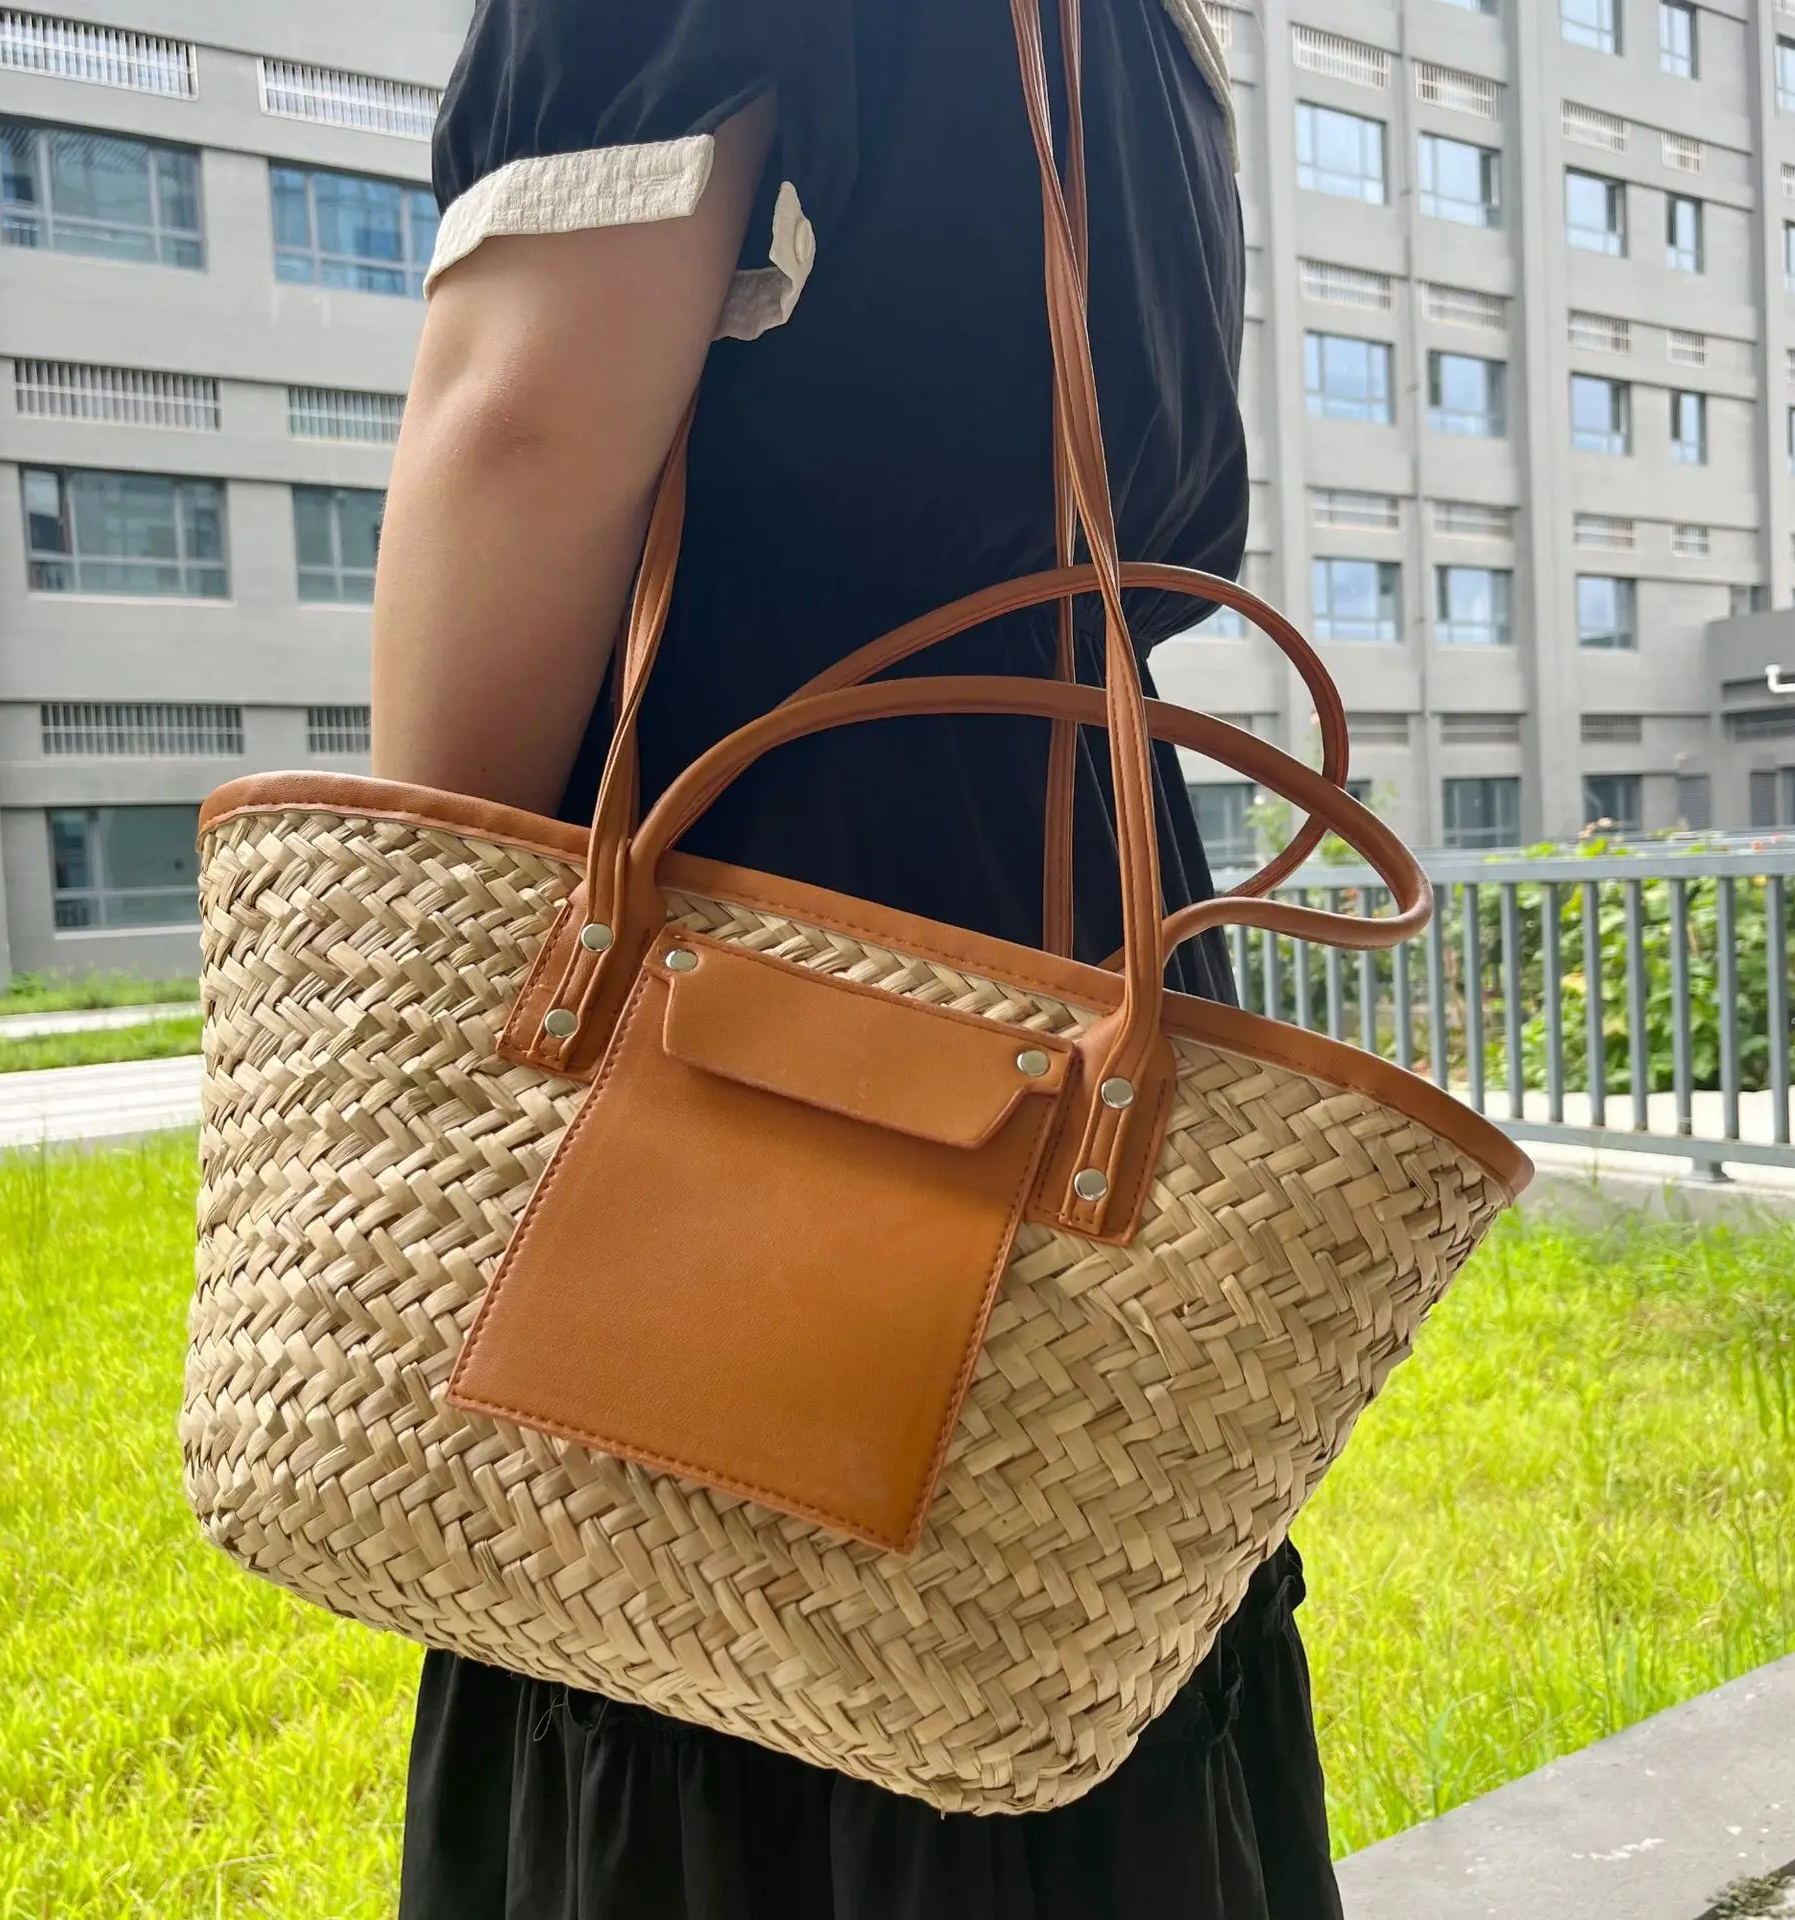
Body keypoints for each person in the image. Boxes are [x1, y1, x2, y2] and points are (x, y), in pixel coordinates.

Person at [369, 1, 1343, 1914]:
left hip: (760, 886)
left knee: (669, 1573)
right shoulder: (1153, 44)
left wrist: (433, 971)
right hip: (1065, 892)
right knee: (1049, 1576)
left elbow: (525, 424)